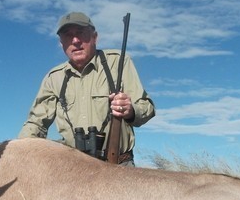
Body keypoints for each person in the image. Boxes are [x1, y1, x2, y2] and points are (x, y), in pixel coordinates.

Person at [18, 11, 155, 165]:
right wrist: (18, 152)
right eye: (68, 35)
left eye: (81, 33)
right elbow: (36, 124)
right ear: (61, 43)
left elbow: (147, 108)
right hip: (74, 169)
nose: (75, 40)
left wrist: (130, 111)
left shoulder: (118, 62)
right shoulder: (53, 78)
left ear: (95, 37)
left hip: (119, 166)